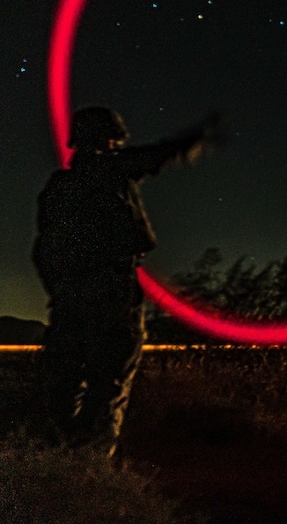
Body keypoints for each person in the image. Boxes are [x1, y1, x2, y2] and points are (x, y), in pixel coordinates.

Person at [32, 107, 222, 456]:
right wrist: (198, 138)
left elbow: (43, 251)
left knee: (64, 385)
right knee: (109, 382)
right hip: (111, 292)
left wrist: (61, 290)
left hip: (69, 298)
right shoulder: (108, 172)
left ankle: (58, 462)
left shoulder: (58, 188)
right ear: (106, 139)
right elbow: (155, 157)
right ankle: (90, 468)